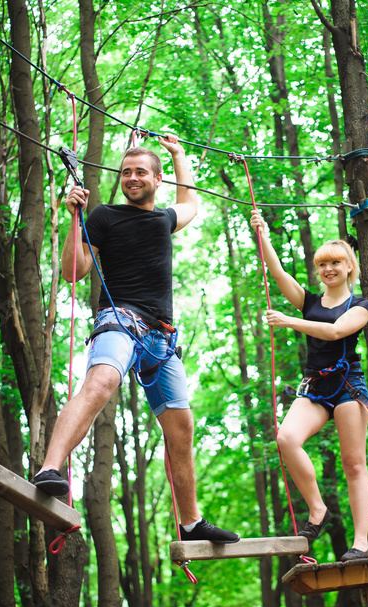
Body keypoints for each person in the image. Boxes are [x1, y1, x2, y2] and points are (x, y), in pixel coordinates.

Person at [34, 135, 239, 545]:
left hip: (162, 338)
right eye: (126, 172)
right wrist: (74, 216)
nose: (131, 178)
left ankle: (191, 523)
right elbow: (74, 270)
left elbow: (193, 205)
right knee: (102, 382)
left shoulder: (164, 218)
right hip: (121, 318)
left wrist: (180, 155)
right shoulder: (105, 216)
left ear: (156, 180)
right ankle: (50, 468)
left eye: (140, 172)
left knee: (181, 428)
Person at [249, 209, 368, 561]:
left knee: (353, 464)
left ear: (349, 266)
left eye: (335, 263)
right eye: (322, 264)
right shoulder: (310, 302)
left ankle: (360, 543)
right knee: (286, 439)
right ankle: (318, 510)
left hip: (348, 385)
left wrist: (289, 322)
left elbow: (335, 332)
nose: (328, 269)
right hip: (315, 387)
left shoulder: (360, 305)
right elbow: (277, 273)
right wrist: (263, 236)